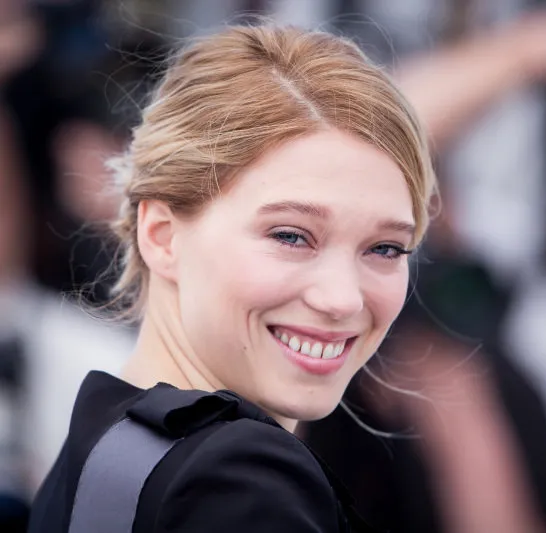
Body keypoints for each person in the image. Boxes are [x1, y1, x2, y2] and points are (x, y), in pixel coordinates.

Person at [28, 21, 436, 533]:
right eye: (290, 236)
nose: (341, 298)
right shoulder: (242, 483)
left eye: (385, 248)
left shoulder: (97, 449)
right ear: (161, 235)